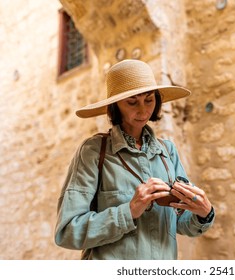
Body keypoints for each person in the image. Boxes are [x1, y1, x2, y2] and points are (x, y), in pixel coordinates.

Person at [54, 59, 215, 260]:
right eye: (132, 101)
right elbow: (67, 231)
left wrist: (203, 213)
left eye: (149, 99)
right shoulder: (93, 151)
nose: (143, 110)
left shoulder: (168, 152)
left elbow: (181, 222)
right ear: (115, 106)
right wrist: (129, 211)